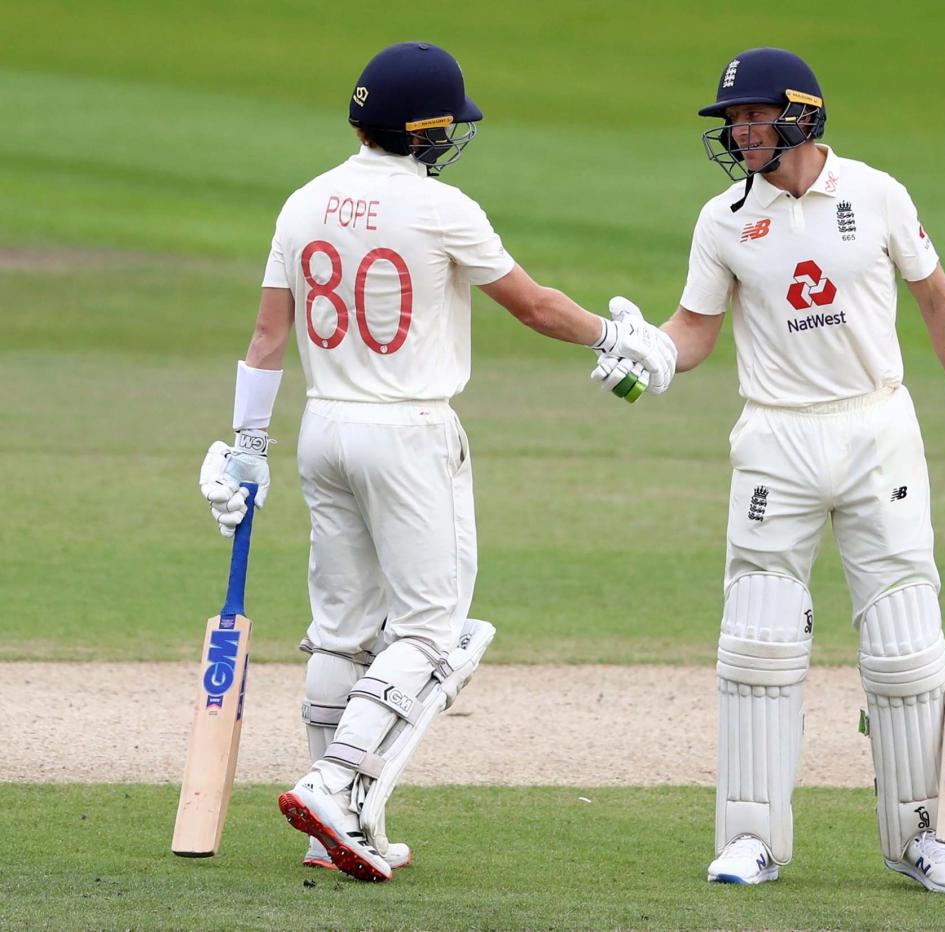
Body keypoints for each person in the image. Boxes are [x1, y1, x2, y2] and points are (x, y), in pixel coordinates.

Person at [197, 41, 676, 882]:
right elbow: (531, 306)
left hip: (323, 428)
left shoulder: (301, 203)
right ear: (421, 132)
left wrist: (245, 452)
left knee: (342, 627)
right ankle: (336, 785)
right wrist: (615, 337)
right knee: (431, 627)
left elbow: (268, 339)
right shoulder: (443, 208)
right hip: (409, 432)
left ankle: (329, 830)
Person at [593, 47, 945, 894]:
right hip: (774, 439)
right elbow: (694, 328)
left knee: (905, 642)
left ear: (803, 116)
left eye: (754, 117)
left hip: (877, 429)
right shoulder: (722, 220)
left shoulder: (877, 193)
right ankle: (751, 838)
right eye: (733, 123)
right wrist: (650, 355)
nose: (741, 133)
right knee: (757, 638)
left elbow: (937, 298)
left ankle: (923, 840)